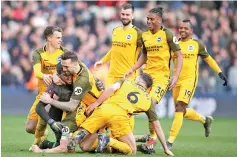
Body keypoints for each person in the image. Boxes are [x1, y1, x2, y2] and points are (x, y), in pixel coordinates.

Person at [71, 73, 174, 156]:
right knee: (132, 150)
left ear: (137, 80)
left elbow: (111, 89)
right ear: (149, 89)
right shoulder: (149, 100)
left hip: (103, 109)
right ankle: (108, 141)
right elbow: (156, 126)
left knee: (84, 145)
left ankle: (69, 138)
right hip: (120, 117)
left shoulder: (125, 82)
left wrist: (96, 103)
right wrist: (165, 147)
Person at [166, 19, 228, 149]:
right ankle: (204, 120)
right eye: (181, 28)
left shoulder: (196, 44)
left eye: (185, 28)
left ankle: (169, 142)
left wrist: (219, 72)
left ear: (191, 31)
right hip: (176, 81)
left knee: (179, 108)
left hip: (189, 81)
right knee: (181, 112)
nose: (182, 30)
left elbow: (208, 59)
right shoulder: (175, 44)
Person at [124, 7, 183, 141]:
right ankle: (125, 134)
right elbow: (144, 55)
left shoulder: (167, 34)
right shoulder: (144, 35)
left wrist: (176, 75)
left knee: (150, 102)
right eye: (147, 19)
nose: (149, 21)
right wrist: (133, 68)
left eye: (152, 19)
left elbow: (179, 56)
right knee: (130, 101)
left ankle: (152, 139)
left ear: (159, 20)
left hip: (161, 77)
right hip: (146, 76)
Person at [25, 26, 69, 142]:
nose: (60, 40)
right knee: (30, 128)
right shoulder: (38, 53)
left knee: (43, 119)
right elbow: (37, 72)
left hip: (58, 95)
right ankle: (44, 134)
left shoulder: (65, 53)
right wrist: (44, 76)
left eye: (61, 37)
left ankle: (41, 143)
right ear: (49, 38)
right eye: (57, 37)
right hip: (42, 94)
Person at [94, 3, 142, 87]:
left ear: (133, 16)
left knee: (124, 100)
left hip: (128, 76)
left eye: (127, 14)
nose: (124, 17)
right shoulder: (115, 30)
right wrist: (102, 61)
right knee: (108, 100)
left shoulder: (138, 33)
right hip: (112, 76)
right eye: (123, 14)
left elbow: (146, 52)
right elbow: (114, 49)